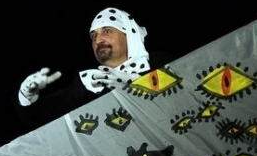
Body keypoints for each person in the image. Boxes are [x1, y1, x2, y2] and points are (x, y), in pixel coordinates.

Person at [17, 7, 172, 129]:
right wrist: (27, 94)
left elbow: (181, 91)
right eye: (94, 36)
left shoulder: (159, 62)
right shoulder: (89, 83)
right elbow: (37, 119)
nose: (98, 40)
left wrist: (134, 85)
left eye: (106, 31)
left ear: (129, 34)